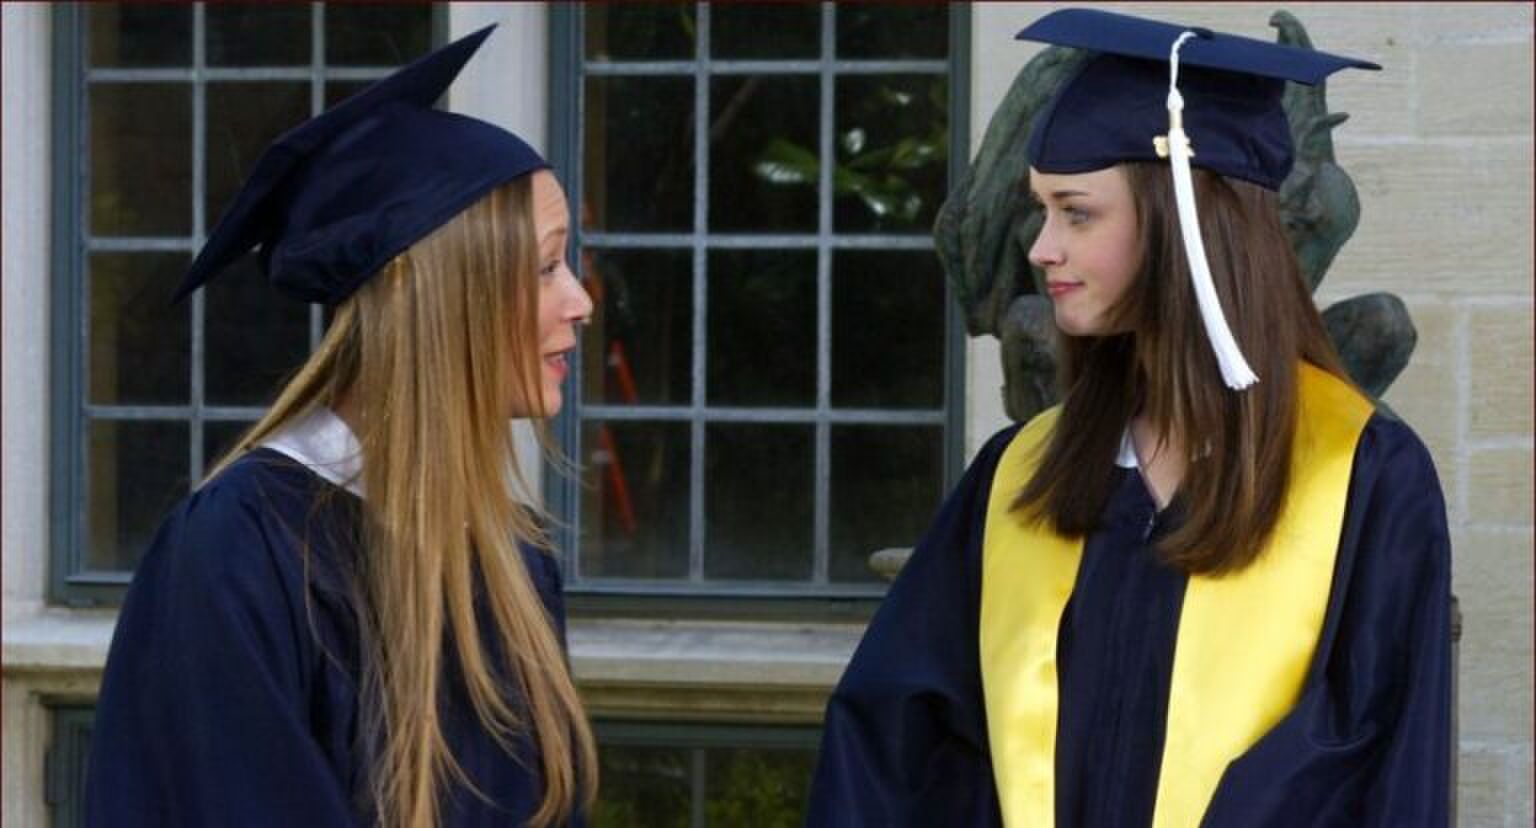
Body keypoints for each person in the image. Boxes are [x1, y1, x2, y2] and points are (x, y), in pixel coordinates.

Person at [807, 9, 1451, 827]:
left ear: (1186, 224)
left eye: (1076, 212)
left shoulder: (1363, 480)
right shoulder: (1020, 477)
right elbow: (887, 754)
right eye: (1042, 211)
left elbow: (1394, 780)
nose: (1041, 248)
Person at [85, 26, 597, 828]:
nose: (581, 300)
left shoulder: (511, 556)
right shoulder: (241, 551)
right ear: (436, 294)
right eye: (545, 266)